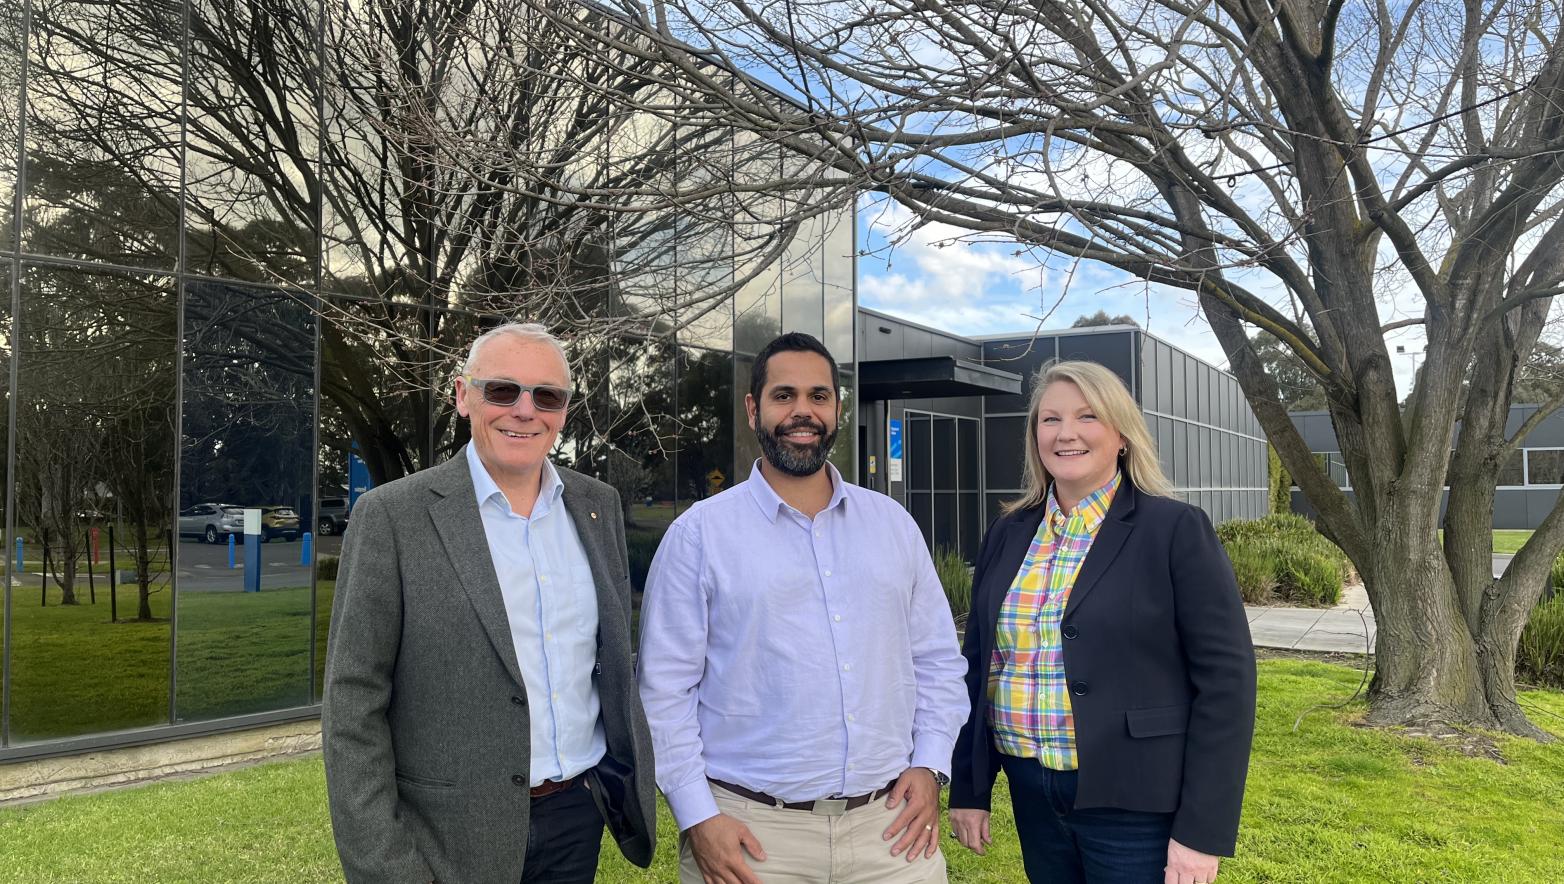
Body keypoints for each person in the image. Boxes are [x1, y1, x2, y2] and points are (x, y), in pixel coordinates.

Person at [322, 322, 656, 884]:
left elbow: (608, 663)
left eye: (546, 395)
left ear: (564, 411)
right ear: (462, 395)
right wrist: (385, 864)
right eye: (502, 390)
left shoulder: (598, 506)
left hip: (577, 815)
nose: (524, 410)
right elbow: (353, 705)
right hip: (448, 832)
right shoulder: (392, 517)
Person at [639, 332, 969, 884]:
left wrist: (931, 763)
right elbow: (664, 690)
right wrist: (698, 815)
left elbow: (937, 660)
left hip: (890, 833)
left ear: (837, 408)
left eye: (819, 396)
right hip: (752, 838)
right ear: (754, 409)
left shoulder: (892, 526)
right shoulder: (699, 535)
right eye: (784, 395)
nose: (802, 412)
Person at [948, 360, 1256, 884]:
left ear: (1121, 435)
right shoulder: (1009, 531)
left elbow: (1227, 685)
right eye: (1050, 420)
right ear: (1034, 436)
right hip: (1032, 793)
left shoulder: (1174, 530)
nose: (1065, 433)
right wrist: (970, 788)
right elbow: (980, 664)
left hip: (1134, 805)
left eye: (1087, 416)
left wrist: (1201, 832)